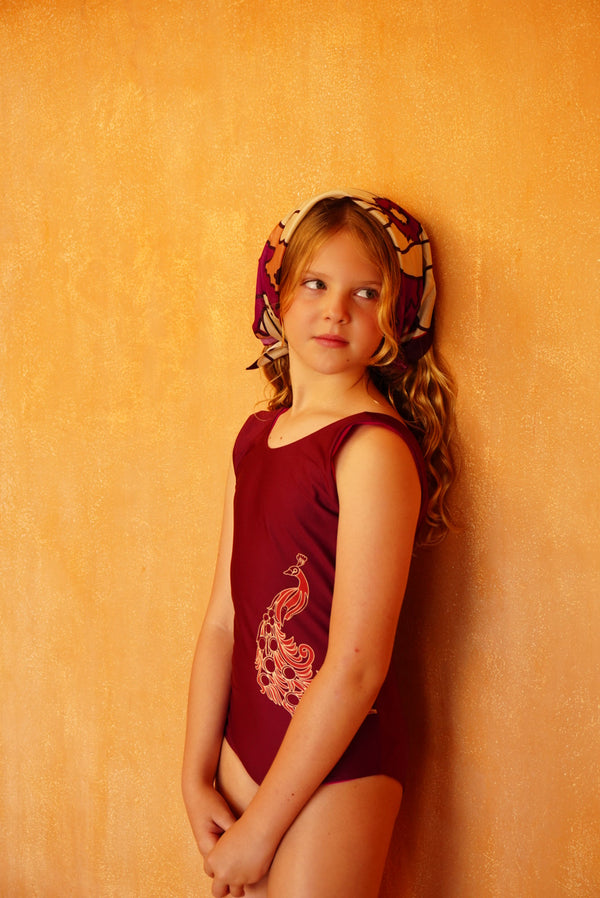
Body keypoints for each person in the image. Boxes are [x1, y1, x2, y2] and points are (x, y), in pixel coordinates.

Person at [182, 189, 456, 897]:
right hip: (243, 752)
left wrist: (262, 829)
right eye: (315, 283)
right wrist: (194, 772)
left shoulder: (370, 449)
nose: (337, 310)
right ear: (276, 294)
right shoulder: (255, 437)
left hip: (337, 767)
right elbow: (223, 623)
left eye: (367, 293)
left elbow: (358, 667)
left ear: (397, 316)